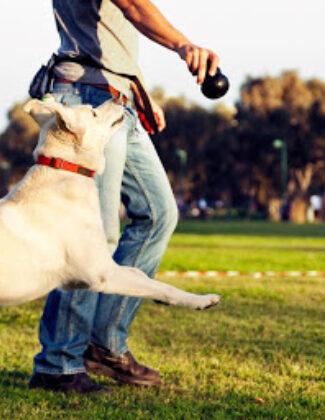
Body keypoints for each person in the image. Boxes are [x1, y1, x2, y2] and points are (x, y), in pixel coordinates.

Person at [28, 0, 221, 394]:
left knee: (158, 214)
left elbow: (110, 36)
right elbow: (133, 5)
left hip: (116, 97)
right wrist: (184, 46)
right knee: (92, 238)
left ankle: (105, 345)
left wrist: (137, 91)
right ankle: (58, 364)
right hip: (88, 99)